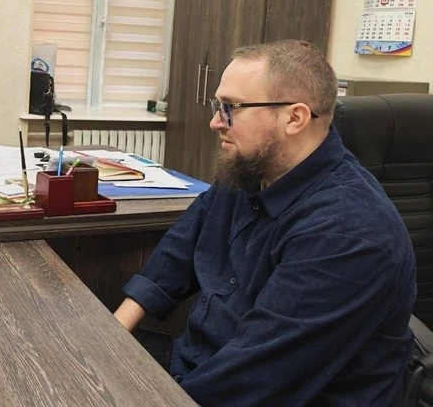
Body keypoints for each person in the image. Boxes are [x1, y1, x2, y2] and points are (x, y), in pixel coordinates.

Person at [114, 40, 416, 405]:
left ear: (294, 118)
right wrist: (114, 332)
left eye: (230, 108)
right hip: (202, 365)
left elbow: (252, 380)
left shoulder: (347, 234)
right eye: (217, 106)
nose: (215, 122)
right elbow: (181, 249)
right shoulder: (251, 169)